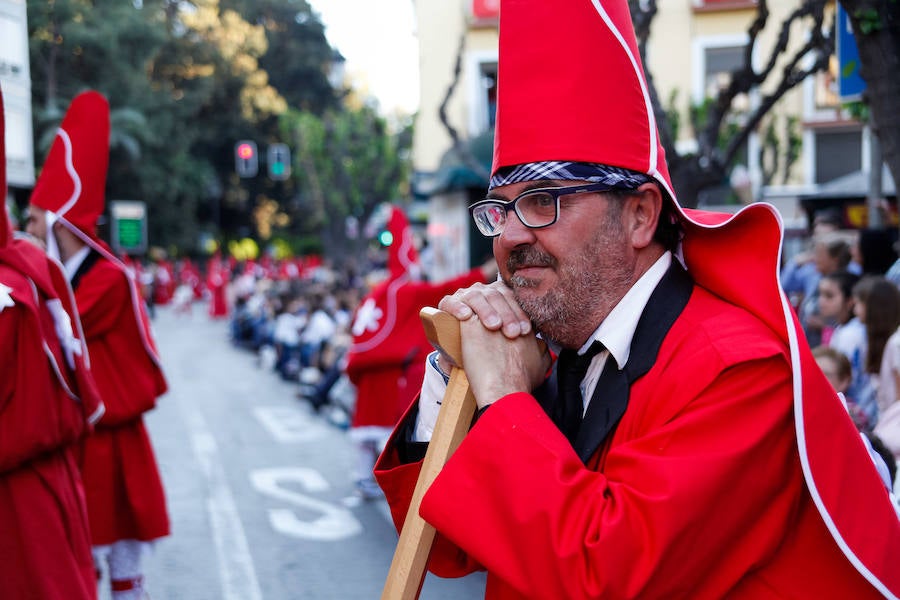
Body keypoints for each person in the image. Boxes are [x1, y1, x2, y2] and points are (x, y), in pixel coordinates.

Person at [374, 1, 900, 597]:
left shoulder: (739, 371)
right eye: (500, 211)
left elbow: (606, 578)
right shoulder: (553, 343)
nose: (512, 236)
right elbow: (445, 542)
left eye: (546, 200)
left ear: (640, 215)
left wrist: (501, 395)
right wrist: (455, 374)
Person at [25, 91, 170, 600]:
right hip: (80, 435)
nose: (26, 231)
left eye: (34, 221)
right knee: (78, 560)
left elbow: (58, 328)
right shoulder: (63, 274)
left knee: (119, 560)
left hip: (111, 435)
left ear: (59, 223)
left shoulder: (105, 278)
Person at [0, 86, 105, 600]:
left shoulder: (32, 275)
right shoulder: (35, 265)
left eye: (42, 217)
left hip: (23, 492)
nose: (32, 222)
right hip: (50, 470)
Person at [344, 204, 497, 499]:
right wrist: (489, 269)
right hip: (390, 373)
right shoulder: (407, 291)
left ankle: (363, 477)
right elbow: (450, 288)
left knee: (366, 432)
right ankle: (384, 485)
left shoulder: (379, 291)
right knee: (389, 433)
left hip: (367, 372)